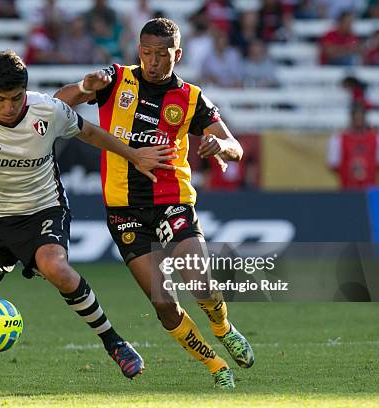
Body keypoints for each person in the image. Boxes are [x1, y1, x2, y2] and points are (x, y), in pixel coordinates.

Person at [0, 50, 178, 393]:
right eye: (1, 99)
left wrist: (134, 154)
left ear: (26, 90)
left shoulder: (48, 110)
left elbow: (91, 133)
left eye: (16, 98)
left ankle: (115, 343)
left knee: (55, 267)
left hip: (44, 211)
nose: (9, 107)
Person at [55, 18, 254, 389]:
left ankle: (223, 327)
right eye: (146, 53)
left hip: (172, 200)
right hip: (124, 210)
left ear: (177, 54)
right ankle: (214, 364)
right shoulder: (115, 80)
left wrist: (218, 146)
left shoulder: (192, 99)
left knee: (202, 285)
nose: (153, 62)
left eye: (162, 55)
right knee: (164, 303)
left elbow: (236, 147)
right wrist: (85, 86)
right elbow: (57, 105)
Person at [327, 105, 379, 189]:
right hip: (347, 189)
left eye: (361, 116)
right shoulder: (338, 139)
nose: (358, 120)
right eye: (356, 117)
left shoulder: (378, 138)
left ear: (365, 118)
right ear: (351, 118)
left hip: (370, 188)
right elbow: (333, 164)